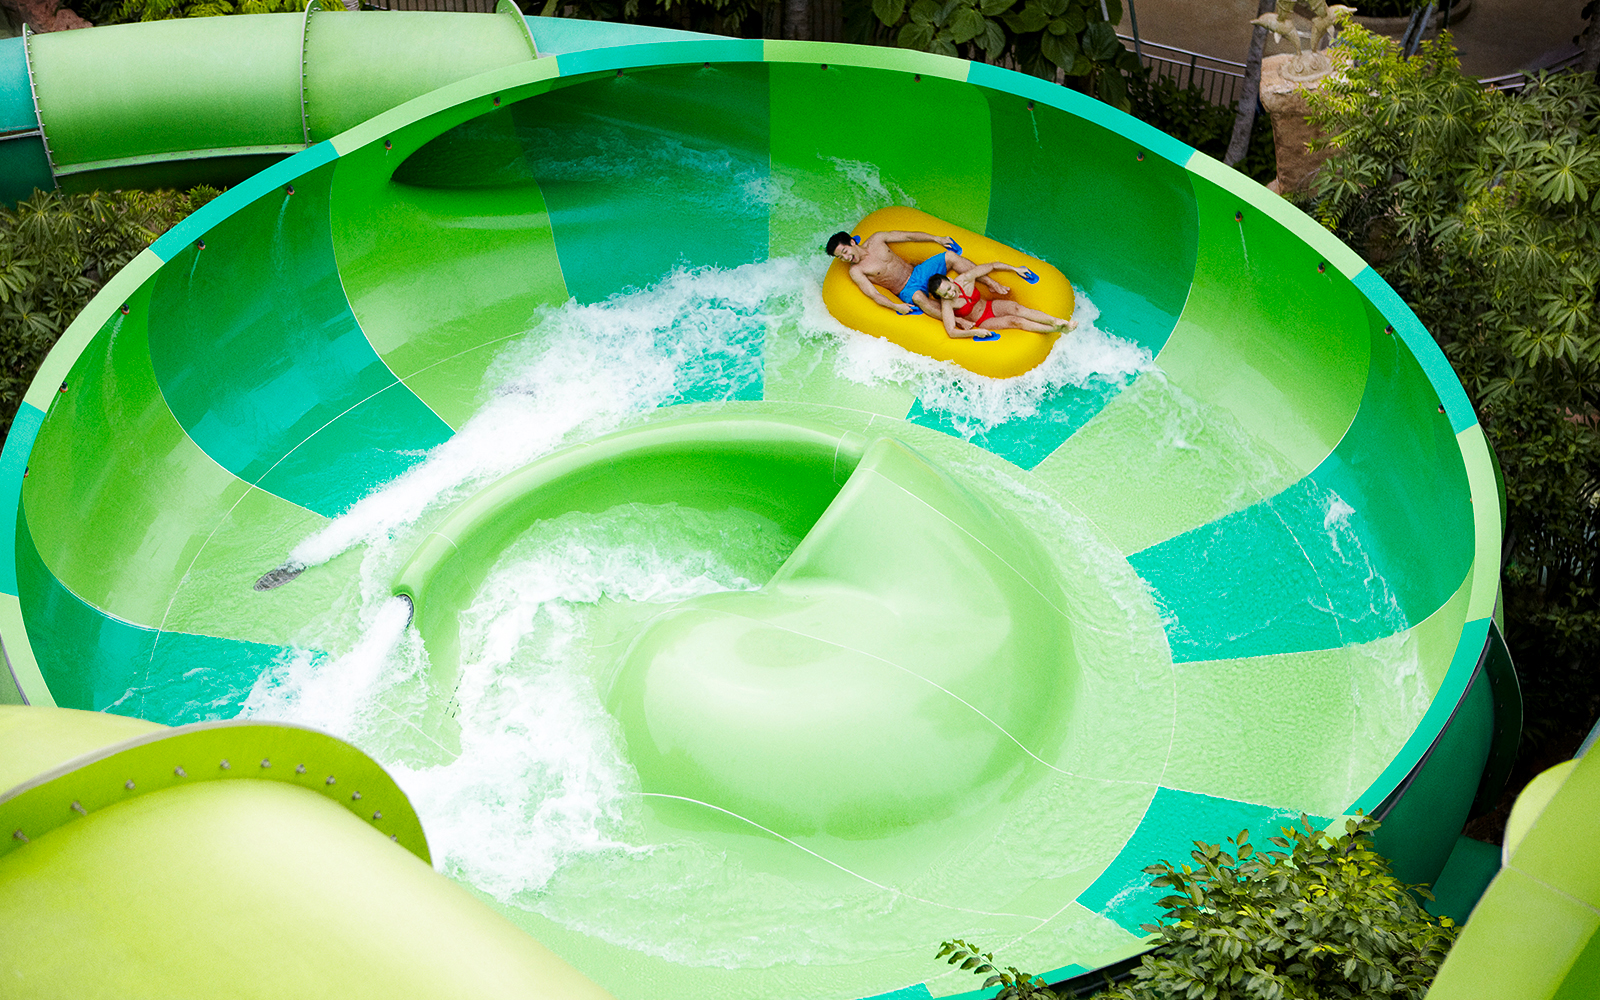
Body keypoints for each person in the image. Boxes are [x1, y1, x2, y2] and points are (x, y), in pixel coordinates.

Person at [826, 229, 1009, 316]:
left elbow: (908, 236)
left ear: (852, 242)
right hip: (907, 288)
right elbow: (873, 294)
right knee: (920, 299)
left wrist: (936, 237)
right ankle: (959, 320)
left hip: (919, 271)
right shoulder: (857, 271)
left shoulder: (877, 239)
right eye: (841, 257)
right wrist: (895, 306)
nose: (846, 258)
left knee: (950, 256)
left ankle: (991, 283)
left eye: (844, 252)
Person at [919, 265, 1075, 340]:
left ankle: (1057, 322)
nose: (951, 293)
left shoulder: (965, 279)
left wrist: (1015, 269)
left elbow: (991, 265)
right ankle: (1057, 330)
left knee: (1017, 308)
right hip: (982, 321)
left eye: (950, 288)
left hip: (988, 305)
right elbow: (952, 332)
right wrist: (974, 332)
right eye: (945, 294)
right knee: (1015, 321)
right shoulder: (947, 305)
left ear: (951, 280)